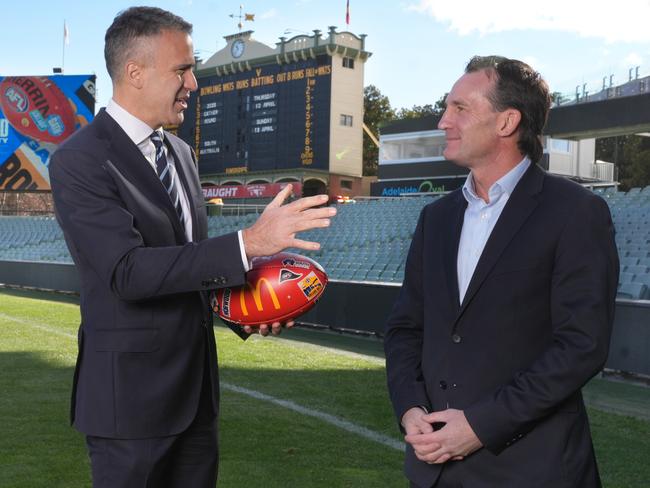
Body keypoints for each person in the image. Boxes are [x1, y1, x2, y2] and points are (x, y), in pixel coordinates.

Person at [49, 6, 335, 487]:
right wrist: (249, 242)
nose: (194, 85)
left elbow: (186, 265)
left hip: (196, 399)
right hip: (130, 408)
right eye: (182, 70)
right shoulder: (78, 159)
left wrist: (245, 308)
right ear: (135, 73)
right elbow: (127, 272)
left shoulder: (180, 152)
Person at [384, 55, 619, 488]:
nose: (443, 122)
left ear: (507, 121)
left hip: (531, 471)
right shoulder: (435, 218)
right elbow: (405, 329)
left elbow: (580, 346)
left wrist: (479, 426)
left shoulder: (576, 212)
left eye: (460, 108)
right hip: (433, 470)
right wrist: (410, 408)